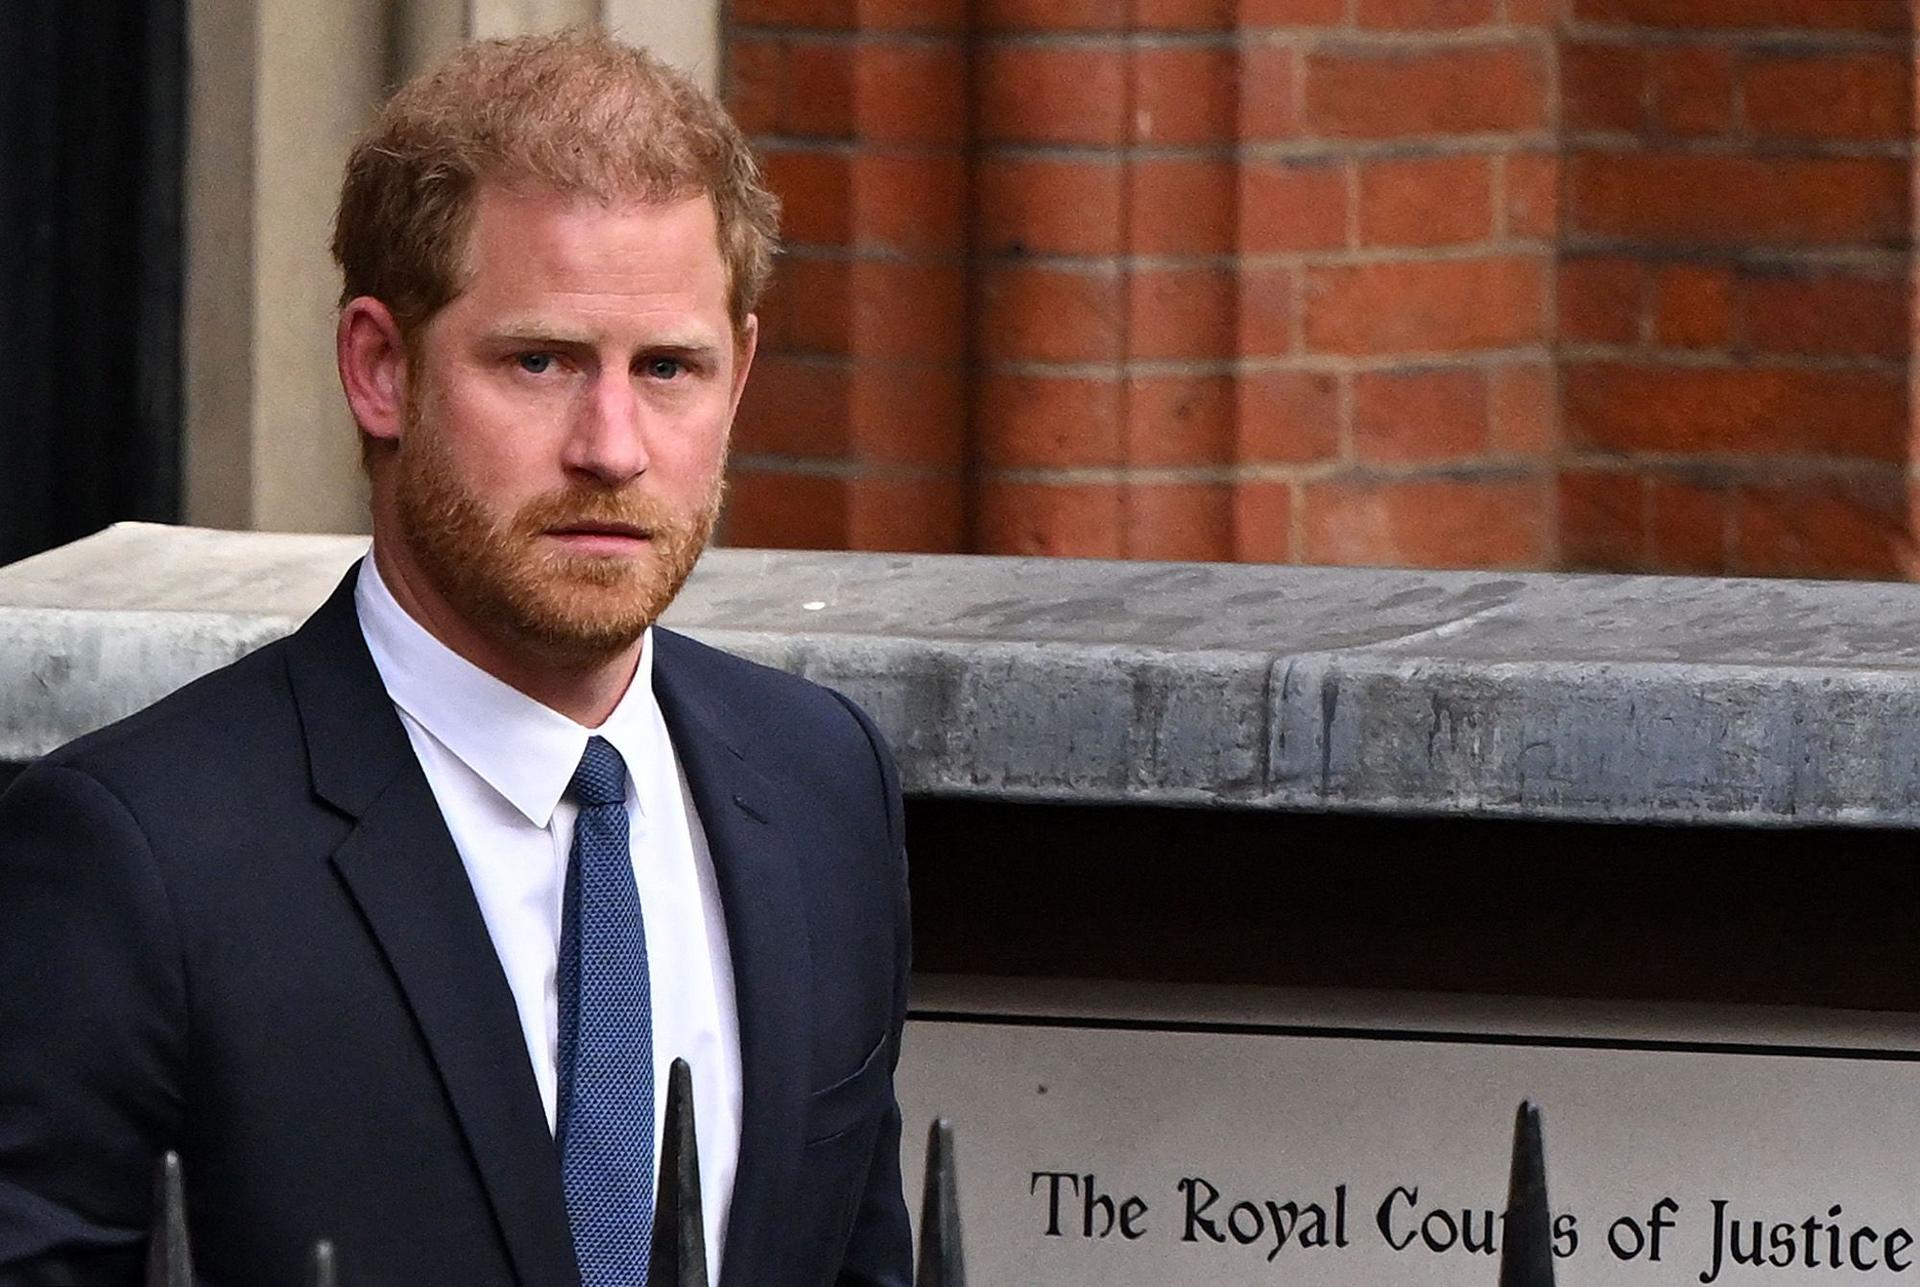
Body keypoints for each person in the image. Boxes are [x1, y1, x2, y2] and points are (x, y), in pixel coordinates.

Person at [0, 31, 911, 1287]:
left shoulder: (822, 788)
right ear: (381, 368)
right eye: (539, 362)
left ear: (739, 374)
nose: (613, 445)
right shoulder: (136, 858)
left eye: (669, 369)